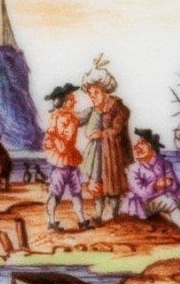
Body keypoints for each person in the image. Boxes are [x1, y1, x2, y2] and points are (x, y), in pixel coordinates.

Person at [80, 58, 134, 223]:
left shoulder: (119, 108)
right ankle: (98, 214)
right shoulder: (94, 110)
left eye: (95, 93)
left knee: (112, 185)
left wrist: (101, 134)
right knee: (96, 184)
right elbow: (78, 119)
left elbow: (116, 130)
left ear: (104, 91)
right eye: (90, 94)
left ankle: (112, 215)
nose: (93, 97)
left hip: (113, 153)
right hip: (97, 154)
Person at [43, 84, 90, 232]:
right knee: (56, 193)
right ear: (63, 102)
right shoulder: (59, 117)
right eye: (71, 99)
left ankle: (82, 220)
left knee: (76, 191)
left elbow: (82, 118)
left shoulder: (70, 117)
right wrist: (58, 144)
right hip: (61, 161)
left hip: (70, 159)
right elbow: (50, 139)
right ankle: (51, 221)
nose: (74, 101)